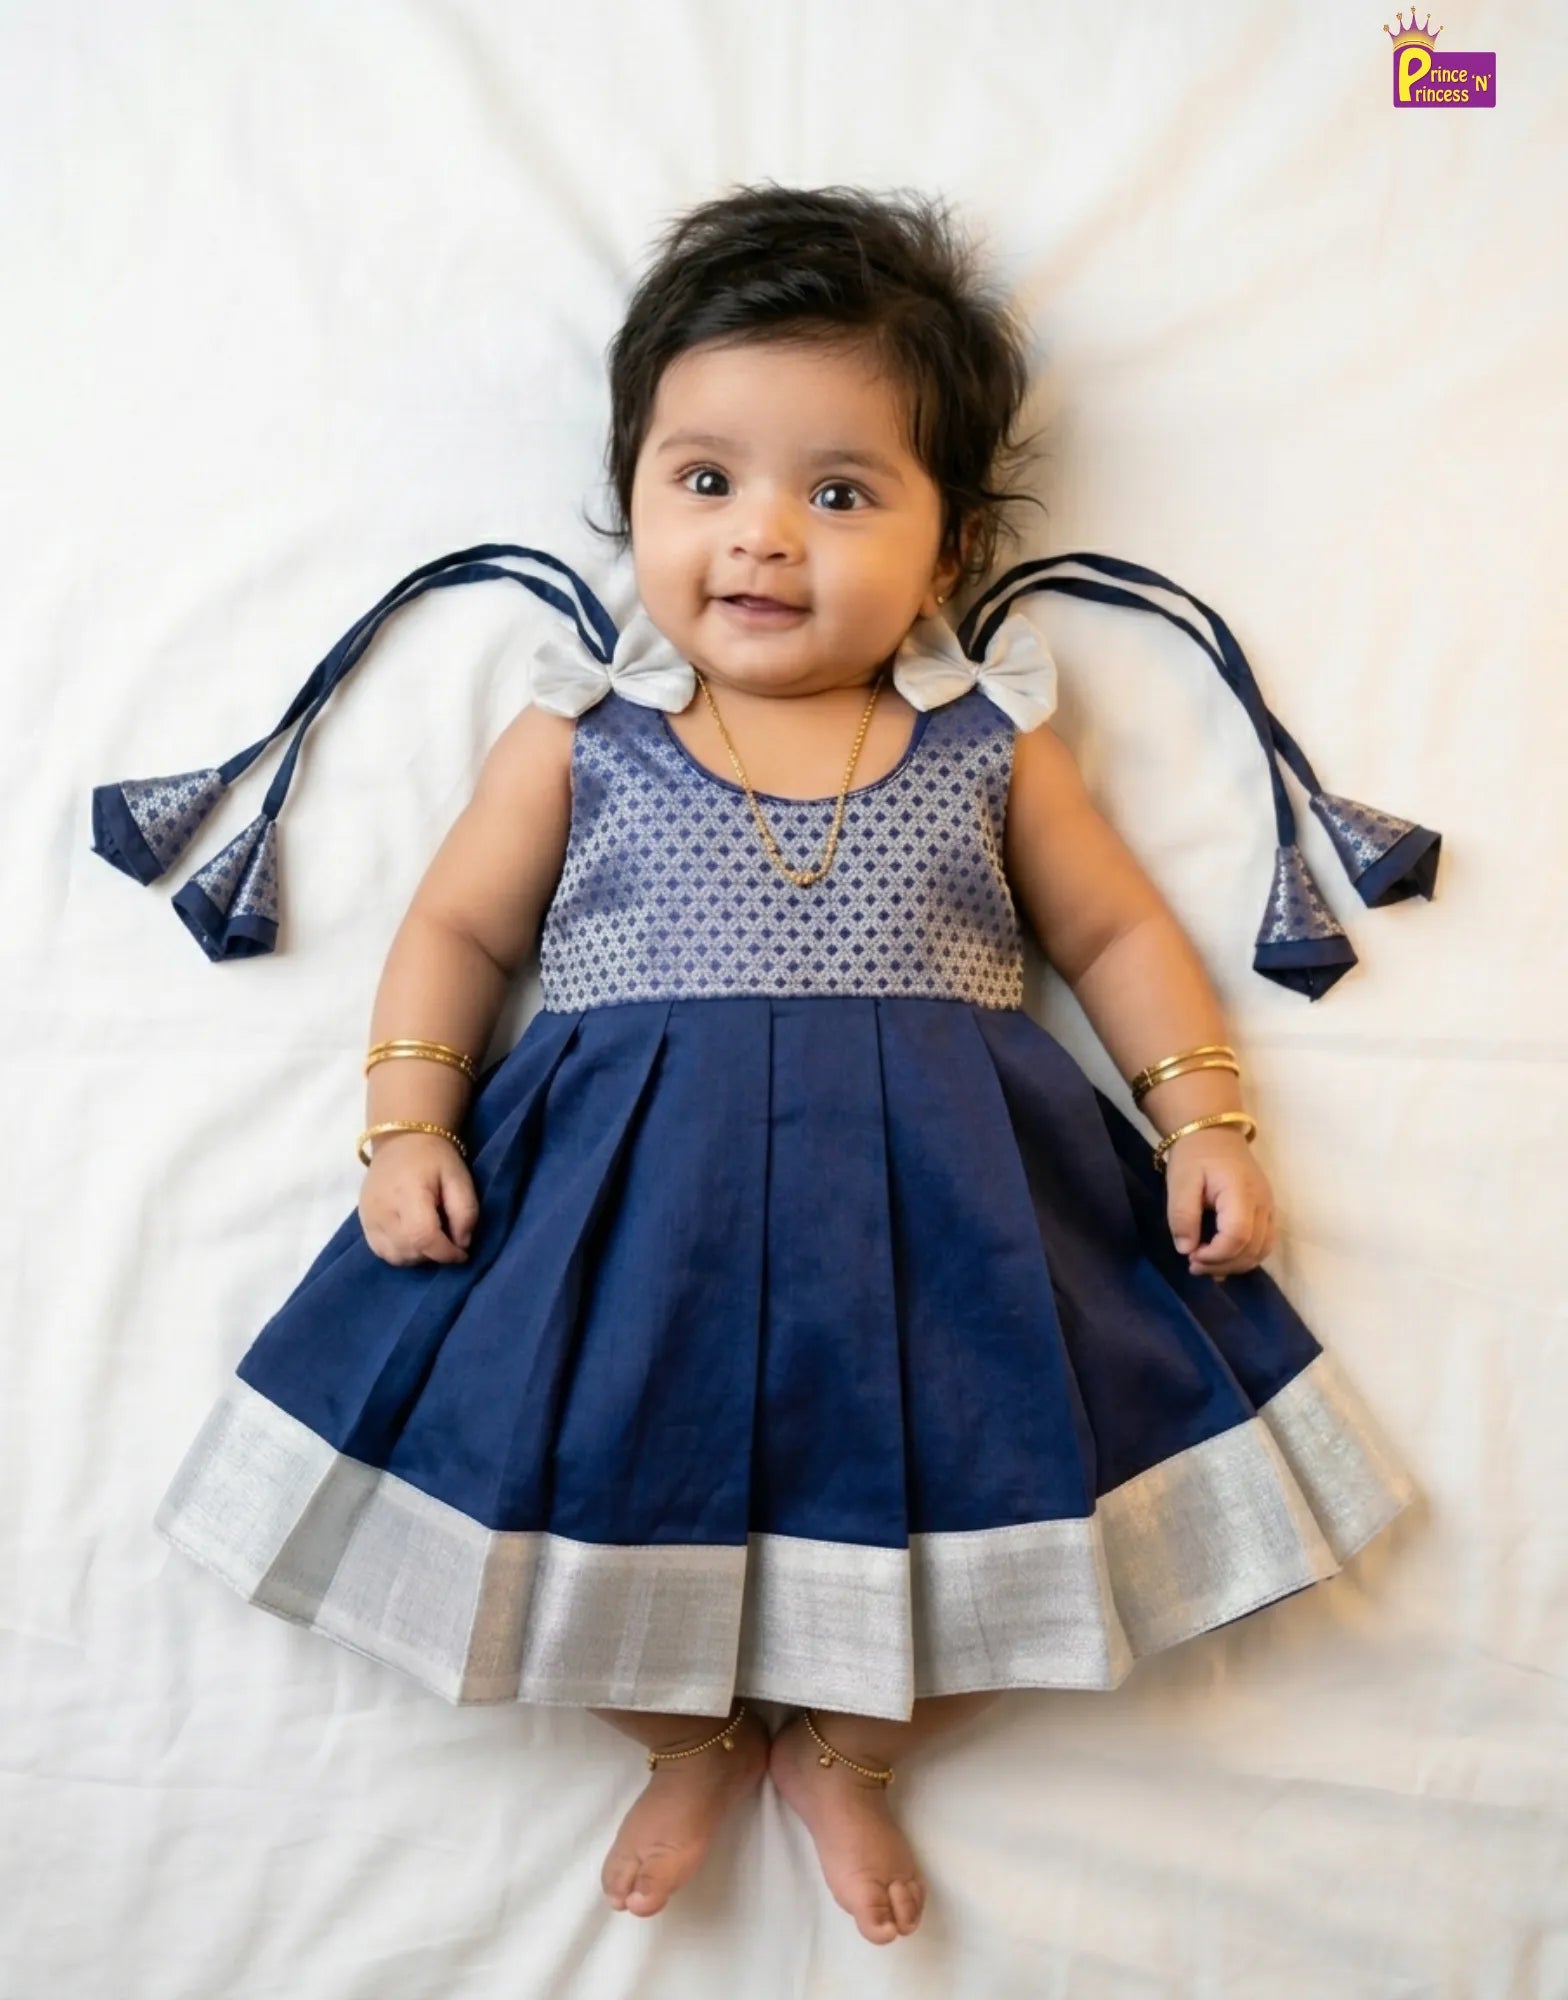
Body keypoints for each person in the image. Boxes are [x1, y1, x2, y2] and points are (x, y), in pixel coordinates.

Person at [143, 182, 1418, 1948]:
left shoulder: (991, 741)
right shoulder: (584, 732)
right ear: (637, 501)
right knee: (567, 1477)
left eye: (840, 493)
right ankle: (681, 1736)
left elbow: (1119, 938)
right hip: (620, 1215)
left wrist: (1205, 1114)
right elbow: (455, 934)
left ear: (948, 548)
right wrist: (405, 1120)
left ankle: (848, 1743)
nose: (762, 538)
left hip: (950, 1215)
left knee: (980, 1483)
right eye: (706, 479)